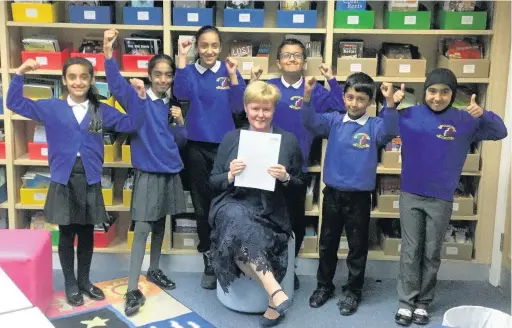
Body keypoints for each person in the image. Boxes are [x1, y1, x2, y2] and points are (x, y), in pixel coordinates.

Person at [7, 57, 146, 306]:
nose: (78, 82)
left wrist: (138, 97)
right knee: (67, 232)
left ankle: (84, 280)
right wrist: (19, 73)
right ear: (64, 80)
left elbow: (133, 122)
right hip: (63, 178)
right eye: (72, 77)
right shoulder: (51, 107)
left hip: (90, 177)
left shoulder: (100, 109)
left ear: (91, 80)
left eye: (83, 76)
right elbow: (14, 102)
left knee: (87, 234)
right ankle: (70, 283)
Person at [391, 68, 507, 326]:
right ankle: (406, 302)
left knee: (432, 251)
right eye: (432, 91)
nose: (437, 97)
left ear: (453, 95)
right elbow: (384, 127)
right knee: (410, 251)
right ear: (425, 92)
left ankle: (423, 302)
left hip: (441, 197)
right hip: (411, 193)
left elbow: (500, 131)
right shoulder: (409, 114)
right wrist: (390, 104)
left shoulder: (465, 120)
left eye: (445, 92)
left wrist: (483, 113)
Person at [245, 38, 346, 290]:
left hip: (295, 169)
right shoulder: (268, 88)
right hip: (263, 167)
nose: (292, 59)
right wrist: (251, 83)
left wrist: (331, 79)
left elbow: (343, 107)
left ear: (303, 62)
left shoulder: (314, 89)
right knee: (263, 219)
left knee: (294, 223)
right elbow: (248, 112)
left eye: (297, 55)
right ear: (278, 62)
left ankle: (289, 267)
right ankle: (265, 269)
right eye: (287, 55)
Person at [103, 30, 187, 316]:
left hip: (170, 171)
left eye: (168, 75)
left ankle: (154, 270)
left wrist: (180, 123)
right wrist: (108, 51)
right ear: (150, 74)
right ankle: (131, 287)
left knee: (161, 223)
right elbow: (115, 84)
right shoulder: (137, 98)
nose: (164, 79)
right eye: (159, 74)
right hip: (148, 173)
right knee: (141, 229)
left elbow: (179, 142)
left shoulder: (170, 105)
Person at [209, 81, 305, 327]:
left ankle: (275, 298)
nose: (261, 115)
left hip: (270, 209)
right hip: (232, 201)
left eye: (267, 109)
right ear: (246, 108)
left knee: (240, 233)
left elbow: (300, 186)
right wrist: (230, 175)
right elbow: (213, 182)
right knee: (235, 216)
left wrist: (286, 177)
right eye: (255, 109)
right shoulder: (232, 138)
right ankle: (275, 292)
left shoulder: (288, 140)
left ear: (274, 110)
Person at [302, 73, 399, 315]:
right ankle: (324, 286)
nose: (354, 103)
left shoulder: (374, 125)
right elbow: (310, 122)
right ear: (344, 97)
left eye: (361, 99)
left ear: (370, 102)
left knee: (357, 248)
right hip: (333, 194)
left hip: (359, 198)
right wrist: (306, 96)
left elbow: (390, 130)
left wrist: (390, 104)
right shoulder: (334, 121)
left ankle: (353, 291)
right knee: (327, 244)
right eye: (350, 97)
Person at [174, 25, 246, 289]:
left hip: (225, 147)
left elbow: (240, 107)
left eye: (214, 45)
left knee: (227, 204)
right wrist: (181, 58)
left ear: (220, 47)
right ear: (197, 46)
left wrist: (234, 76)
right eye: (203, 45)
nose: (209, 51)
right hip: (195, 147)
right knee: (202, 205)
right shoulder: (190, 72)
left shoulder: (228, 72)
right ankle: (208, 258)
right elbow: (180, 94)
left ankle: (227, 257)